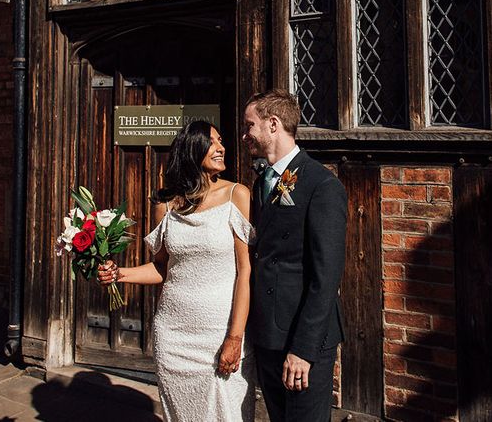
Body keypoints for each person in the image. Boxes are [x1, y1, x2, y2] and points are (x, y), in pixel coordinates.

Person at [98, 121, 255, 421]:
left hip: (219, 333)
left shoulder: (237, 195)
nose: (222, 148)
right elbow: (161, 268)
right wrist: (120, 274)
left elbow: (245, 272)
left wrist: (235, 338)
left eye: (221, 141)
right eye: (212, 142)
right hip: (174, 336)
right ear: (192, 149)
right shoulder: (166, 206)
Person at [242, 89, 347, 422]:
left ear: (273, 125)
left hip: (302, 341)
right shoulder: (262, 184)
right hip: (269, 335)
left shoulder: (322, 185)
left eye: (250, 125)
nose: (245, 135)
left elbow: (325, 278)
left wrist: (303, 350)